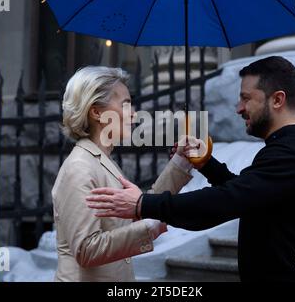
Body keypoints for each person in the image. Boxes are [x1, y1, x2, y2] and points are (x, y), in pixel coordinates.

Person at [87, 56, 295, 282]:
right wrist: (205, 163)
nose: (238, 108)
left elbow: (226, 201)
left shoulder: (292, 153)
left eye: (246, 98)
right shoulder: (293, 145)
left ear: (277, 99)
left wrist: (143, 204)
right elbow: (250, 195)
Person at [53, 66, 193, 281]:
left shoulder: (101, 160)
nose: (134, 114)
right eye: (126, 104)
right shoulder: (80, 167)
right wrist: (150, 226)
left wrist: (181, 162)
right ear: (97, 112)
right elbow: (86, 249)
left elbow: (137, 208)